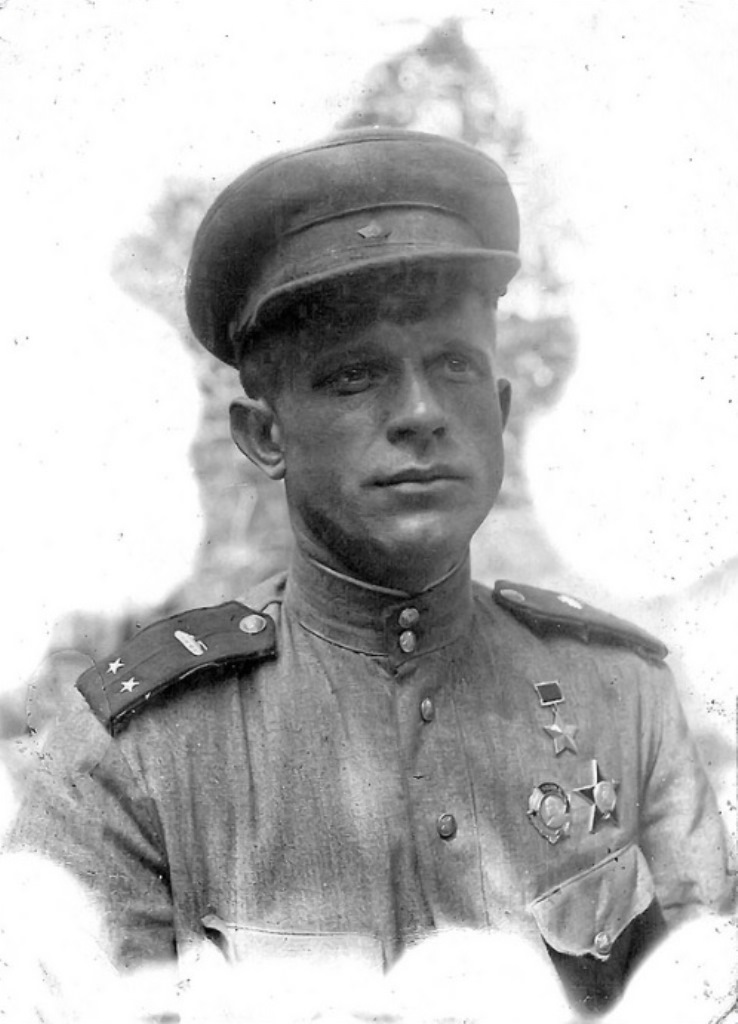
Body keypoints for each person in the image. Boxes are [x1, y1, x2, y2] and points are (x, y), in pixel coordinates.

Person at [3, 128, 732, 1018]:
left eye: (455, 366)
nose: (422, 412)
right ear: (264, 436)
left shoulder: (624, 698)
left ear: (500, 408)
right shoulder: (137, 755)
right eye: (355, 376)